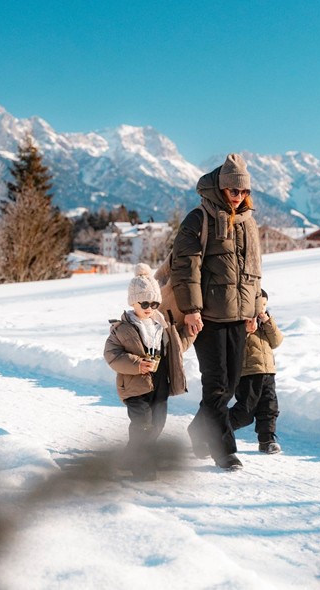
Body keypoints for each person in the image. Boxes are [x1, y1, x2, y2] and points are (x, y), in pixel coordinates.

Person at [171, 153, 262, 471]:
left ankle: (199, 429)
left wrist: (253, 310)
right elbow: (185, 267)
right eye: (234, 191)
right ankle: (224, 450)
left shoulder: (249, 223)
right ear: (221, 188)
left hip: (240, 317)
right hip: (207, 317)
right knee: (216, 384)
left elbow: (254, 270)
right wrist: (192, 309)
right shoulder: (199, 218)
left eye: (244, 191)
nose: (239, 197)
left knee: (231, 385)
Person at [104, 263, 189, 480]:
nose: (149, 307)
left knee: (157, 424)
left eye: (154, 302)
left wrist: (191, 332)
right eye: (144, 302)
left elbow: (178, 347)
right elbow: (111, 355)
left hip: (160, 382)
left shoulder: (162, 325)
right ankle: (140, 464)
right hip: (134, 385)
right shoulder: (122, 328)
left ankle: (127, 456)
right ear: (133, 302)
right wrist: (136, 364)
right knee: (143, 423)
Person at [230, 289, 284, 454]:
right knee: (245, 411)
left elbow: (277, 341)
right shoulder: (240, 321)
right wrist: (245, 330)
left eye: (265, 305)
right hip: (248, 373)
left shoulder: (265, 323)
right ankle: (216, 431)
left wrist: (267, 321)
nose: (262, 308)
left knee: (269, 407)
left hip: (268, 371)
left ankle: (267, 440)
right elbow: (233, 345)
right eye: (260, 305)